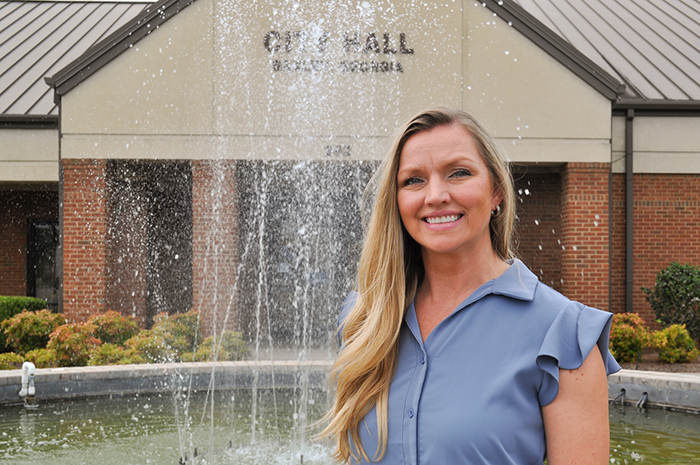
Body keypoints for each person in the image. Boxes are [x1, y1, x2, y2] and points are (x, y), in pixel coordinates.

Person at [321, 107, 620, 464]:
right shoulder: (364, 318)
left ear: (496, 191)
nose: (435, 195)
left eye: (458, 173)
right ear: (397, 201)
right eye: (413, 180)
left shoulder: (565, 335)